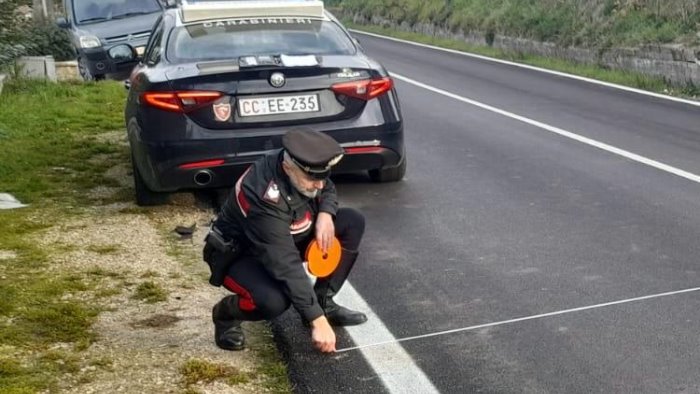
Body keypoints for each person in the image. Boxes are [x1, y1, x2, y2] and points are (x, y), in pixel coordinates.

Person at [203, 127, 368, 354]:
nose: (319, 185)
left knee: (351, 221)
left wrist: (326, 213)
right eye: (313, 178)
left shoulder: (303, 167)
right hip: (242, 254)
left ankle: (324, 303)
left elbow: (325, 185)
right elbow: (285, 263)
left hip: (287, 236)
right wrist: (316, 321)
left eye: (323, 175)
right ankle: (225, 315)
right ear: (287, 166)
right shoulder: (262, 194)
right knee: (273, 301)